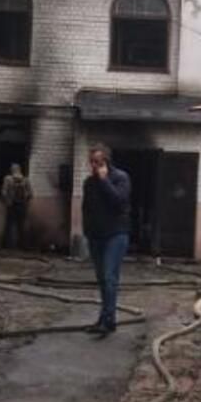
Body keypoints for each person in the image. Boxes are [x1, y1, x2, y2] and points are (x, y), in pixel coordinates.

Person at [82, 144, 131, 337]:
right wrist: (87, 231)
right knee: (102, 279)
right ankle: (105, 319)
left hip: (116, 235)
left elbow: (119, 201)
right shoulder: (89, 182)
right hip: (96, 235)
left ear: (106, 161)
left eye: (98, 162)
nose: (94, 165)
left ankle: (109, 320)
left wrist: (104, 181)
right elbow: (86, 208)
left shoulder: (120, 178)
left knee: (110, 278)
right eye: (92, 162)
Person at [1, 163, 33, 250]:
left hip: (11, 205)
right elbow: (30, 194)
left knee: (9, 225)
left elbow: (3, 192)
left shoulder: (8, 179)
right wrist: (25, 201)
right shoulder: (26, 180)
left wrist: (7, 201)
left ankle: (8, 245)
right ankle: (23, 245)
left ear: (12, 170)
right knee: (21, 225)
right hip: (22, 205)